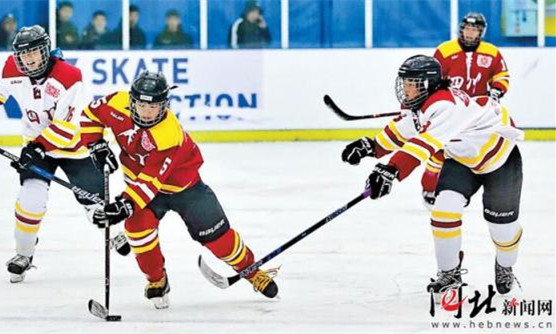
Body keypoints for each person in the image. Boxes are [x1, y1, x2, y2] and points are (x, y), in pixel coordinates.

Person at [80, 71, 278, 309]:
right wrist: (95, 144)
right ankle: (157, 280)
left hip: (185, 189)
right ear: (131, 101)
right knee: (137, 231)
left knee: (220, 240)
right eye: (141, 104)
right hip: (141, 189)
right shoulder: (116, 103)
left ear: (165, 105)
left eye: (153, 107)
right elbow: (90, 114)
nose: (146, 112)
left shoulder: (168, 132)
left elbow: (151, 180)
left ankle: (251, 271)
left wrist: (125, 205)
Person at [341, 55, 523, 297]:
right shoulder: (423, 104)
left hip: (499, 160)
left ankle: (505, 264)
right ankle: (449, 273)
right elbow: (403, 129)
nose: (405, 89)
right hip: (461, 160)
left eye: (411, 83)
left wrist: (391, 170)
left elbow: (423, 144)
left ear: (427, 84)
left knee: (503, 231)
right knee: (444, 210)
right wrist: (371, 147)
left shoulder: (445, 106)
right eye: (404, 82)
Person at [0, 26, 130, 283]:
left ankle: (113, 231)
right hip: (37, 146)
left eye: (34, 53)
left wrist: (36, 148)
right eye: (23, 55)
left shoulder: (69, 76)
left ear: (45, 51)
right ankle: (23, 255)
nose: (28, 60)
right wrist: (36, 148)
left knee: (95, 203)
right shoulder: (10, 70)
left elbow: (68, 126)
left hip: (73, 146)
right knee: (30, 202)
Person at [418, 12, 511, 208]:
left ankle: (461, 188)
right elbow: (433, 76)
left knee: (473, 150)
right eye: (468, 28)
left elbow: (502, 74)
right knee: (440, 150)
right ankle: (428, 187)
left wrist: (497, 90)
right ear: (461, 29)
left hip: (478, 113)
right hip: (452, 110)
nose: (470, 33)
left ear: (480, 32)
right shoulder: (445, 50)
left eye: (475, 29)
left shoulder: (491, 52)